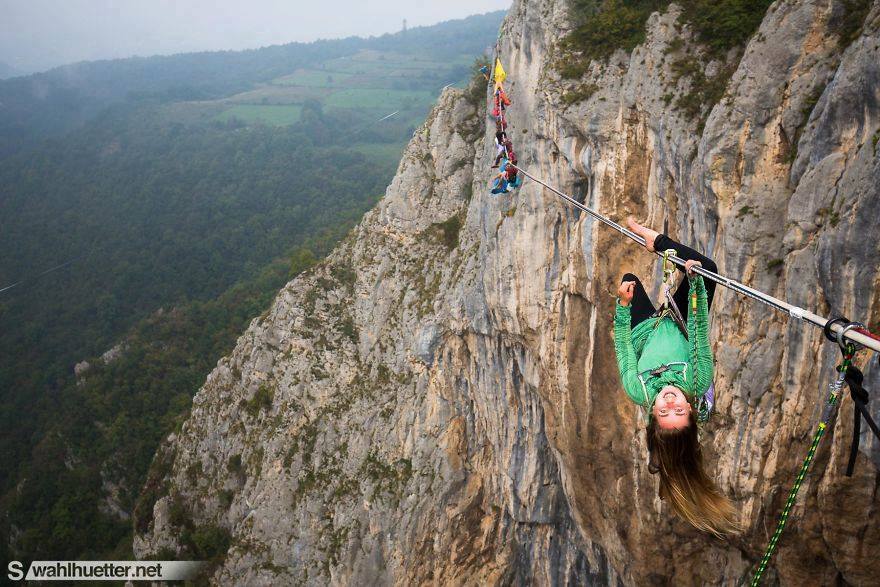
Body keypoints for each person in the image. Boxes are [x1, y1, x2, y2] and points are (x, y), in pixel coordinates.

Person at [614, 218, 738, 537]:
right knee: (707, 269)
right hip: (680, 322)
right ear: (691, 409)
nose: (670, 402)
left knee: (629, 280)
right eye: (679, 410)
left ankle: (653, 251)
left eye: (664, 412)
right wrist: (694, 285)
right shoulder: (697, 381)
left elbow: (624, 348)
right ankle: (656, 240)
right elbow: (698, 330)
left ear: (652, 415)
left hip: (643, 332)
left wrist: (623, 308)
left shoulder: (639, 390)